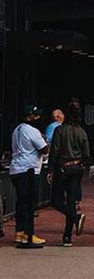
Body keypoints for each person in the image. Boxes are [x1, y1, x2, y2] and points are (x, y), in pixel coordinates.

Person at [49, 100, 90, 246]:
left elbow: (54, 150)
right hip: (77, 167)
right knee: (72, 200)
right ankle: (67, 236)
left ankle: (75, 217)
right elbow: (86, 153)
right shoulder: (81, 131)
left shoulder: (59, 130)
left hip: (63, 167)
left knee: (56, 200)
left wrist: (51, 169)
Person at [10, 105, 48, 248]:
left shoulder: (17, 129)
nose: (38, 118)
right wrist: (45, 141)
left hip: (16, 169)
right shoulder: (32, 131)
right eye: (36, 115)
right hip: (29, 170)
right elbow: (44, 149)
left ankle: (19, 232)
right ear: (29, 117)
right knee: (29, 203)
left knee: (21, 202)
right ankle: (28, 234)